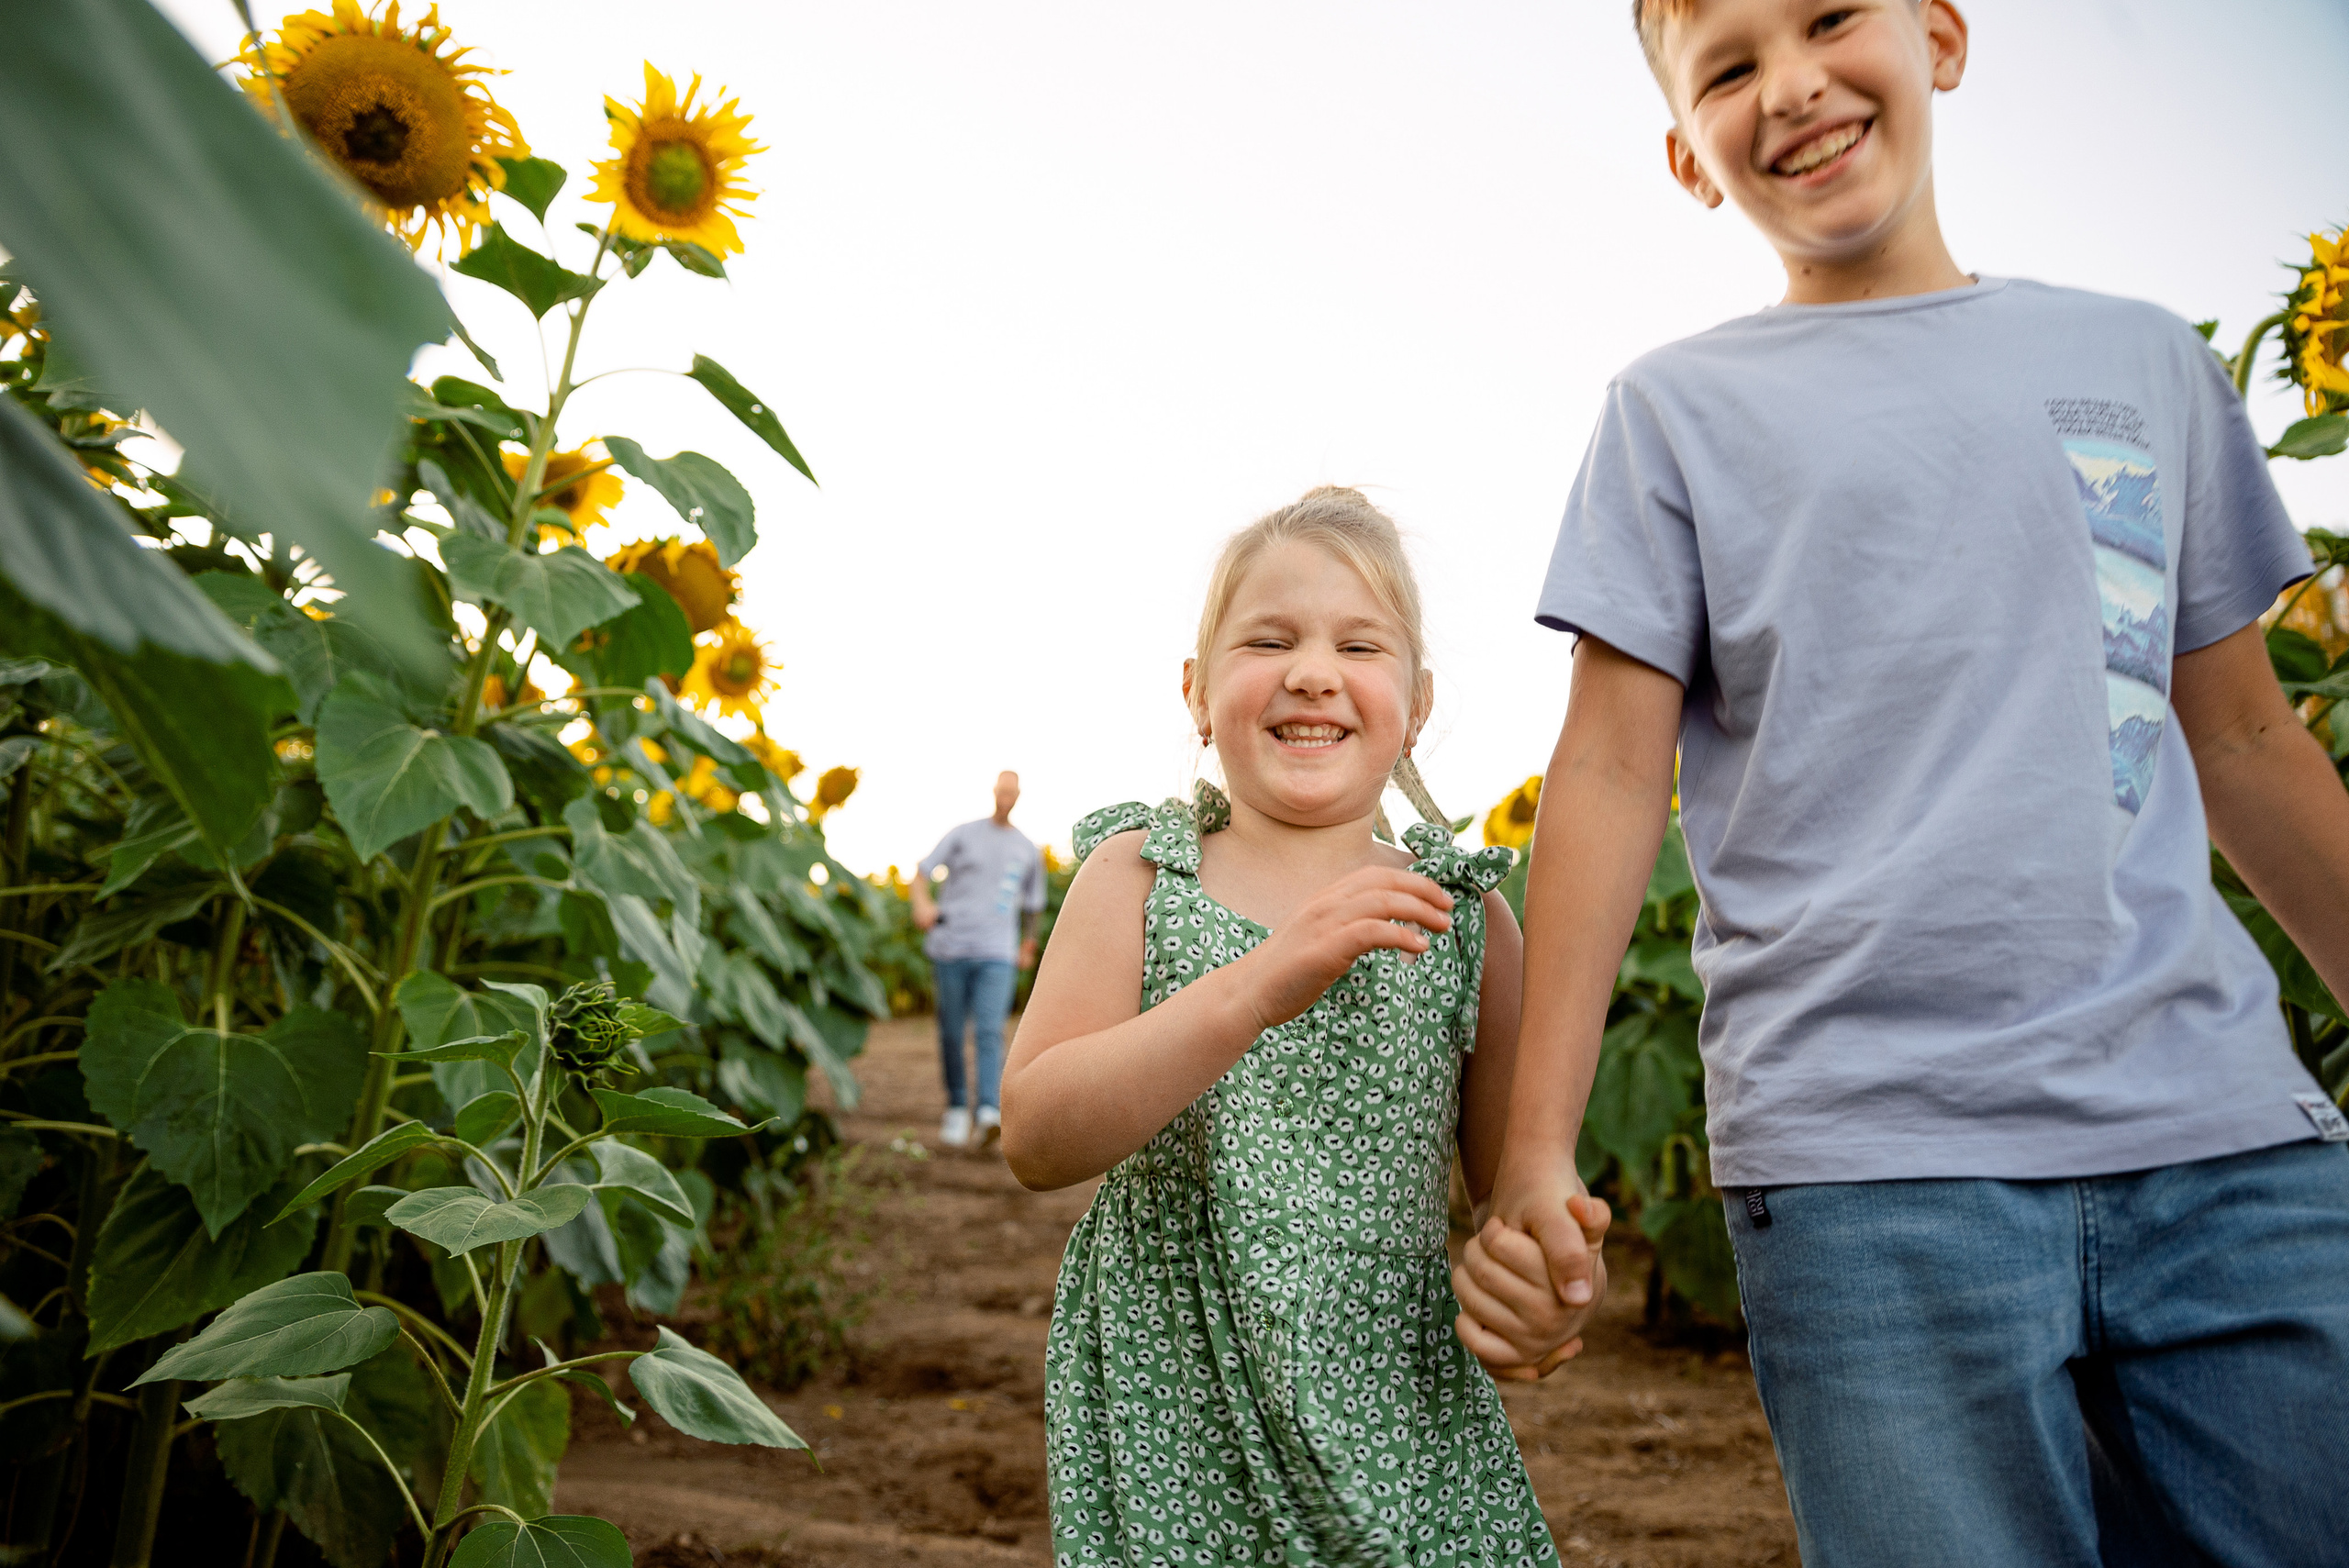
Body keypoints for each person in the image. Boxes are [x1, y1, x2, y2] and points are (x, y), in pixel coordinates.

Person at [1463, 3, 2349, 1563]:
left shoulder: (2140, 358)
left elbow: (2246, 737)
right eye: (1727, 67)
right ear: (1687, 155)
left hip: (2224, 1141)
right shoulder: (1679, 413)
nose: (1789, 84)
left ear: (1939, 35)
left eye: (1827, 20)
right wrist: (1536, 1149)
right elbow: (1607, 767)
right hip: (1868, 1168)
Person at [1002, 486, 1609, 1567]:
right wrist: (1257, 983)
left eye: (1359, 644)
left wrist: (1546, 1292)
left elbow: (1512, 1191)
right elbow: (1038, 1135)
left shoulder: (1466, 919)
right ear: (1196, 692)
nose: (1312, 670)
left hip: (1394, 1404)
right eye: (1268, 638)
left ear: (1416, 703)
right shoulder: (1140, 874)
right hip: (1175, 1402)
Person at [913, 771, 1045, 1151]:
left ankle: (987, 1111)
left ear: (1018, 796)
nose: (1007, 796)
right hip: (951, 947)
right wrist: (922, 903)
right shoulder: (963, 834)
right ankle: (956, 1106)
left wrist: (1028, 945)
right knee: (951, 1033)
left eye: (1012, 792)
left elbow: (1033, 905)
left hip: (997, 953)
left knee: (990, 1031)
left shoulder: (1027, 850)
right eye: (1002, 790)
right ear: (995, 792)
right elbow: (921, 874)